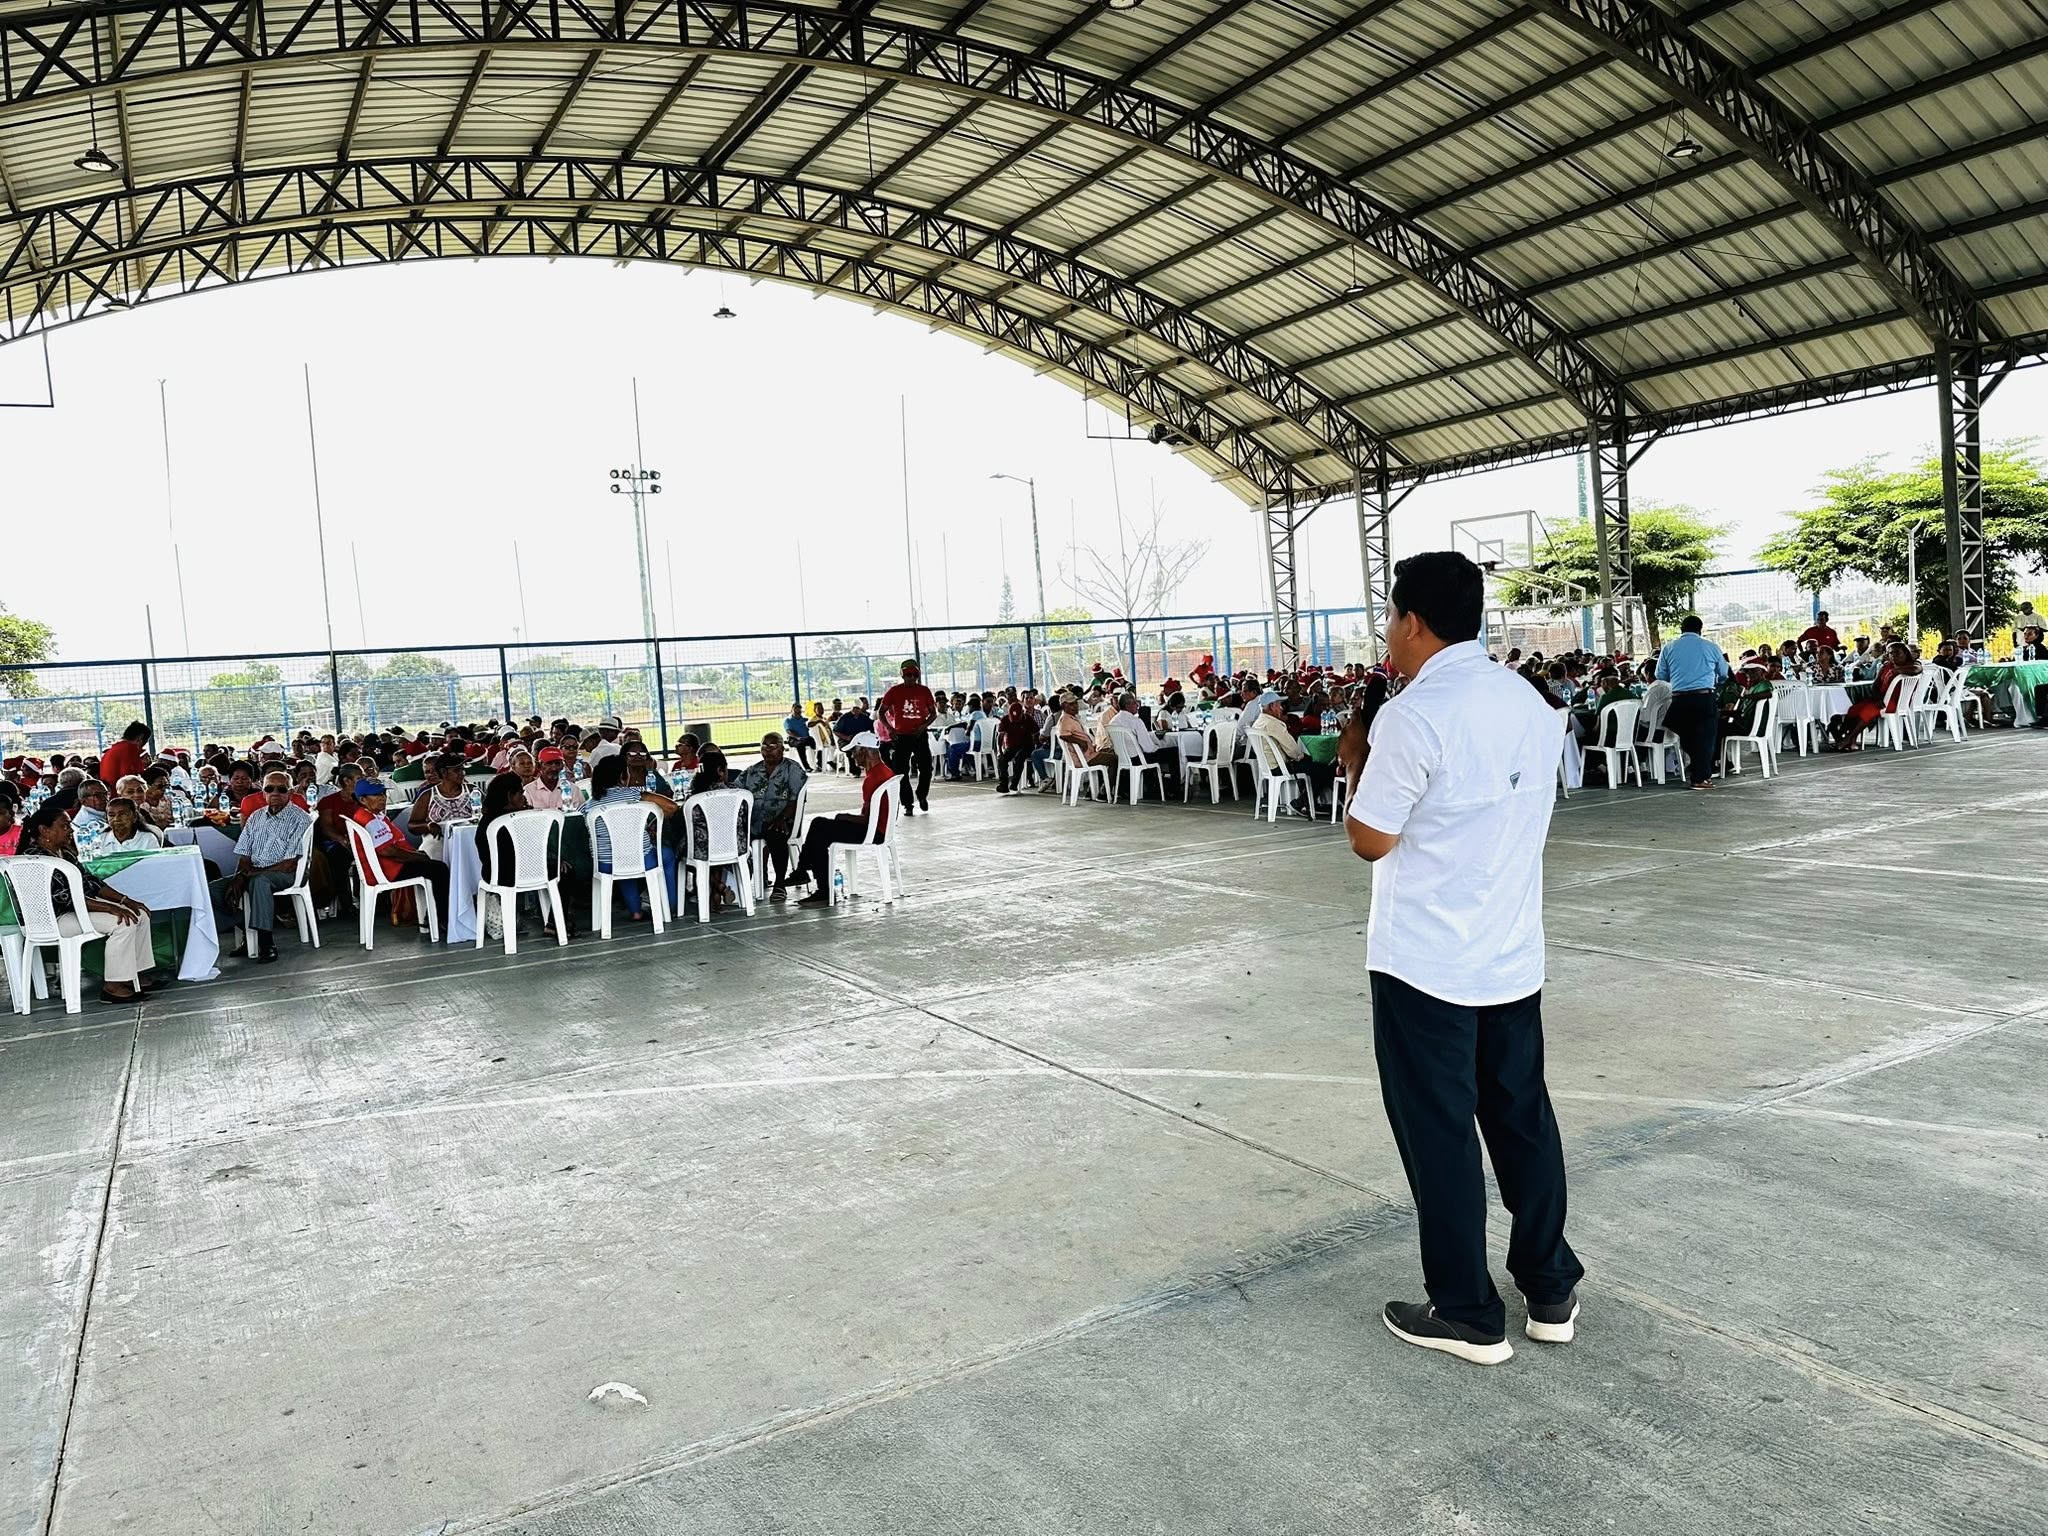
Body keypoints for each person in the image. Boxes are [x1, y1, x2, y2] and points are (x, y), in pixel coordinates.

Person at [1337, 550, 1581, 1367]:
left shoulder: (1414, 715)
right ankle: (1549, 1285)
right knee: (1520, 1118)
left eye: (1390, 618)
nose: (1388, 633)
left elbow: (1371, 839)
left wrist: (1355, 763)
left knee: (1439, 1133)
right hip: (1509, 951)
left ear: (1411, 621)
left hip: (1426, 963)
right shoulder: (1530, 702)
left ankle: (1467, 1311)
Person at [18, 802, 157, 1002]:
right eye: (64, 826)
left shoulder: (64, 853)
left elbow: (91, 883)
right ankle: (113, 986)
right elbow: (64, 898)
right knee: (123, 922)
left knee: (139, 914)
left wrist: (126, 901)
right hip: (52, 919)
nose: (71, 830)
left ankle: (136, 975)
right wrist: (110, 908)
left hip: (73, 912)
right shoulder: (34, 859)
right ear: (44, 830)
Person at [221, 771, 315, 962]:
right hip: (255, 872)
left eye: (281, 789)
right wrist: (240, 876)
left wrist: (250, 875)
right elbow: (245, 854)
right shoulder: (256, 817)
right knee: (213, 890)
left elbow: (289, 864)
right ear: (263, 792)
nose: (275, 793)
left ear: (290, 792)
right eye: (269, 789)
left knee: (260, 882)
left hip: (287, 873)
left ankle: (266, 942)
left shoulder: (301, 819)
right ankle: (246, 930)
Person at [793, 732, 893, 907]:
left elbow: (867, 820)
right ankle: (803, 870)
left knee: (819, 828)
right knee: (820, 826)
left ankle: (819, 885)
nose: (852, 756)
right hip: (882, 829)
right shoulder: (886, 771)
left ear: (864, 751)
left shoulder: (873, 778)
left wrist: (844, 817)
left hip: (873, 831)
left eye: (854, 751)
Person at [585, 753, 679, 922]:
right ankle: (670, 906)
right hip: (643, 860)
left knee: (621, 857)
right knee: (667, 855)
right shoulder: (635, 795)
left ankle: (636, 911)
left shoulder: (588, 805)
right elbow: (671, 807)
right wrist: (652, 820)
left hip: (605, 865)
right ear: (623, 776)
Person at [349, 779, 452, 923]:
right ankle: (443, 919)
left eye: (383, 793)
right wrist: (419, 856)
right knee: (439, 869)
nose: (383, 798)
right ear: (362, 800)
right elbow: (389, 851)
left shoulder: (371, 814)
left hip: (389, 865)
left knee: (434, 866)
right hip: (389, 869)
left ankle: (433, 917)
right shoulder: (370, 820)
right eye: (376, 795)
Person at [1655, 615, 1730, 790]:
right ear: (1700, 629)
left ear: (1681, 629)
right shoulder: (1711, 647)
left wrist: (1679, 677)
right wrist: (1714, 679)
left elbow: (1660, 675)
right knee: (1705, 738)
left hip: (1679, 699)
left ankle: (1698, 771)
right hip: (1704, 698)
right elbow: (1724, 673)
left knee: (1687, 736)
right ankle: (1700, 778)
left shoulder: (1669, 647)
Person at [735, 732, 808, 899]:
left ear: (782, 749)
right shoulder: (752, 771)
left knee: (776, 833)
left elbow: (796, 799)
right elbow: (735, 789)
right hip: (755, 820)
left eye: (773, 746)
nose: (768, 750)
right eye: (765, 746)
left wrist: (782, 818)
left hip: (783, 819)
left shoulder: (792, 769)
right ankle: (736, 885)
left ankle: (780, 884)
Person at [877, 660, 937, 815]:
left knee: (926, 768)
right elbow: (881, 712)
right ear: (903, 675)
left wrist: (924, 726)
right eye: (908, 675)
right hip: (901, 736)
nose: (911, 678)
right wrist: (890, 728)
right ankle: (907, 803)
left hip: (919, 735)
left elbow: (933, 713)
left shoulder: (924, 691)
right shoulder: (894, 691)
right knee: (900, 770)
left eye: (914, 675)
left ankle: (922, 795)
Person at [409, 756, 475, 838]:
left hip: (469, 838)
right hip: (439, 841)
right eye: (457, 770)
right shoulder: (427, 795)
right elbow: (412, 825)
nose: (462, 773)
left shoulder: (472, 790)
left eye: (463, 769)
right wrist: (428, 826)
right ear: (443, 772)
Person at [994, 698, 1038, 794]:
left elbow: (1036, 733)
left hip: (1027, 746)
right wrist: (1000, 752)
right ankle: (1003, 784)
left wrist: (1036, 745)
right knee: (1002, 760)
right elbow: (1000, 737)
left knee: (1019, 757)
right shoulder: (1005, 720)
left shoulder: (1028, 719)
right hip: (1011, 746)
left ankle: (1015, 783)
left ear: (1022, 713)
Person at [783, 704, 816, 770]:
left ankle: (818, 762)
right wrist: (798, 737)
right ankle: (806, 767)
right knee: (800, 745)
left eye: (799, 711)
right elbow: (789, 731)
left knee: (812, 740)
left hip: (805, 738)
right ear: (791, 711)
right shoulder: (788, 720)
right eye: (795, 710)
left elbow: (810, 725)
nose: (797, 712)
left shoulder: (804, 720)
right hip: (793, 739)